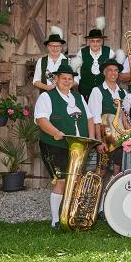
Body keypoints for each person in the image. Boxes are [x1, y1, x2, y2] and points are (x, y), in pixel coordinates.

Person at [34, 63, 95, 229]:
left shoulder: (78, 97)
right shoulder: (47, 97)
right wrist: (55, 132)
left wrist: (90, 139)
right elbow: (41, 119)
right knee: (61, 181)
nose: (67, 81)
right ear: (56, 79)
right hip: (54, 145)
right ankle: (56, 220)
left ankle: (70, 214)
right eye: (64, 78)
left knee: (76, 181)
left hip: (78, 147)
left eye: (70, 79)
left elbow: (89, 118)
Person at [88, 54, 126, 175]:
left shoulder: (123, 93)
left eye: (116, 70)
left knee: (117, 170)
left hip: (119, 138)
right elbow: (95, 118)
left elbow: (124, 117)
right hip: (104, 137)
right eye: (110, 70)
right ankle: (98, 189)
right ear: (104, 72)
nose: (113, 73)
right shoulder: (97, 91)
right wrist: (99, 141)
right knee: (102, 170)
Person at [75, 16, 114, 99]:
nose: (95, 44)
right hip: (85, 91)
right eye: (92, 41)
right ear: (89, 41)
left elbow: (114, 70)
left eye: (98, 41)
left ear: (102, 41)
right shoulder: (82, 52)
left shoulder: (109, 52)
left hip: (104, 91)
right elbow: (77, 71)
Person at [33, 26, 74, 92]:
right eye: (52, 46)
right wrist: (46, 87)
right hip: (46, 95)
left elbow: (76, 81)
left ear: (61, 47)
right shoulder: (41, 61)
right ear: (48, 46)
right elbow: (36, 81)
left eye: (58, 46)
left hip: (65, 95)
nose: (55, 48)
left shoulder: (69, 61)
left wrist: (64, 87)